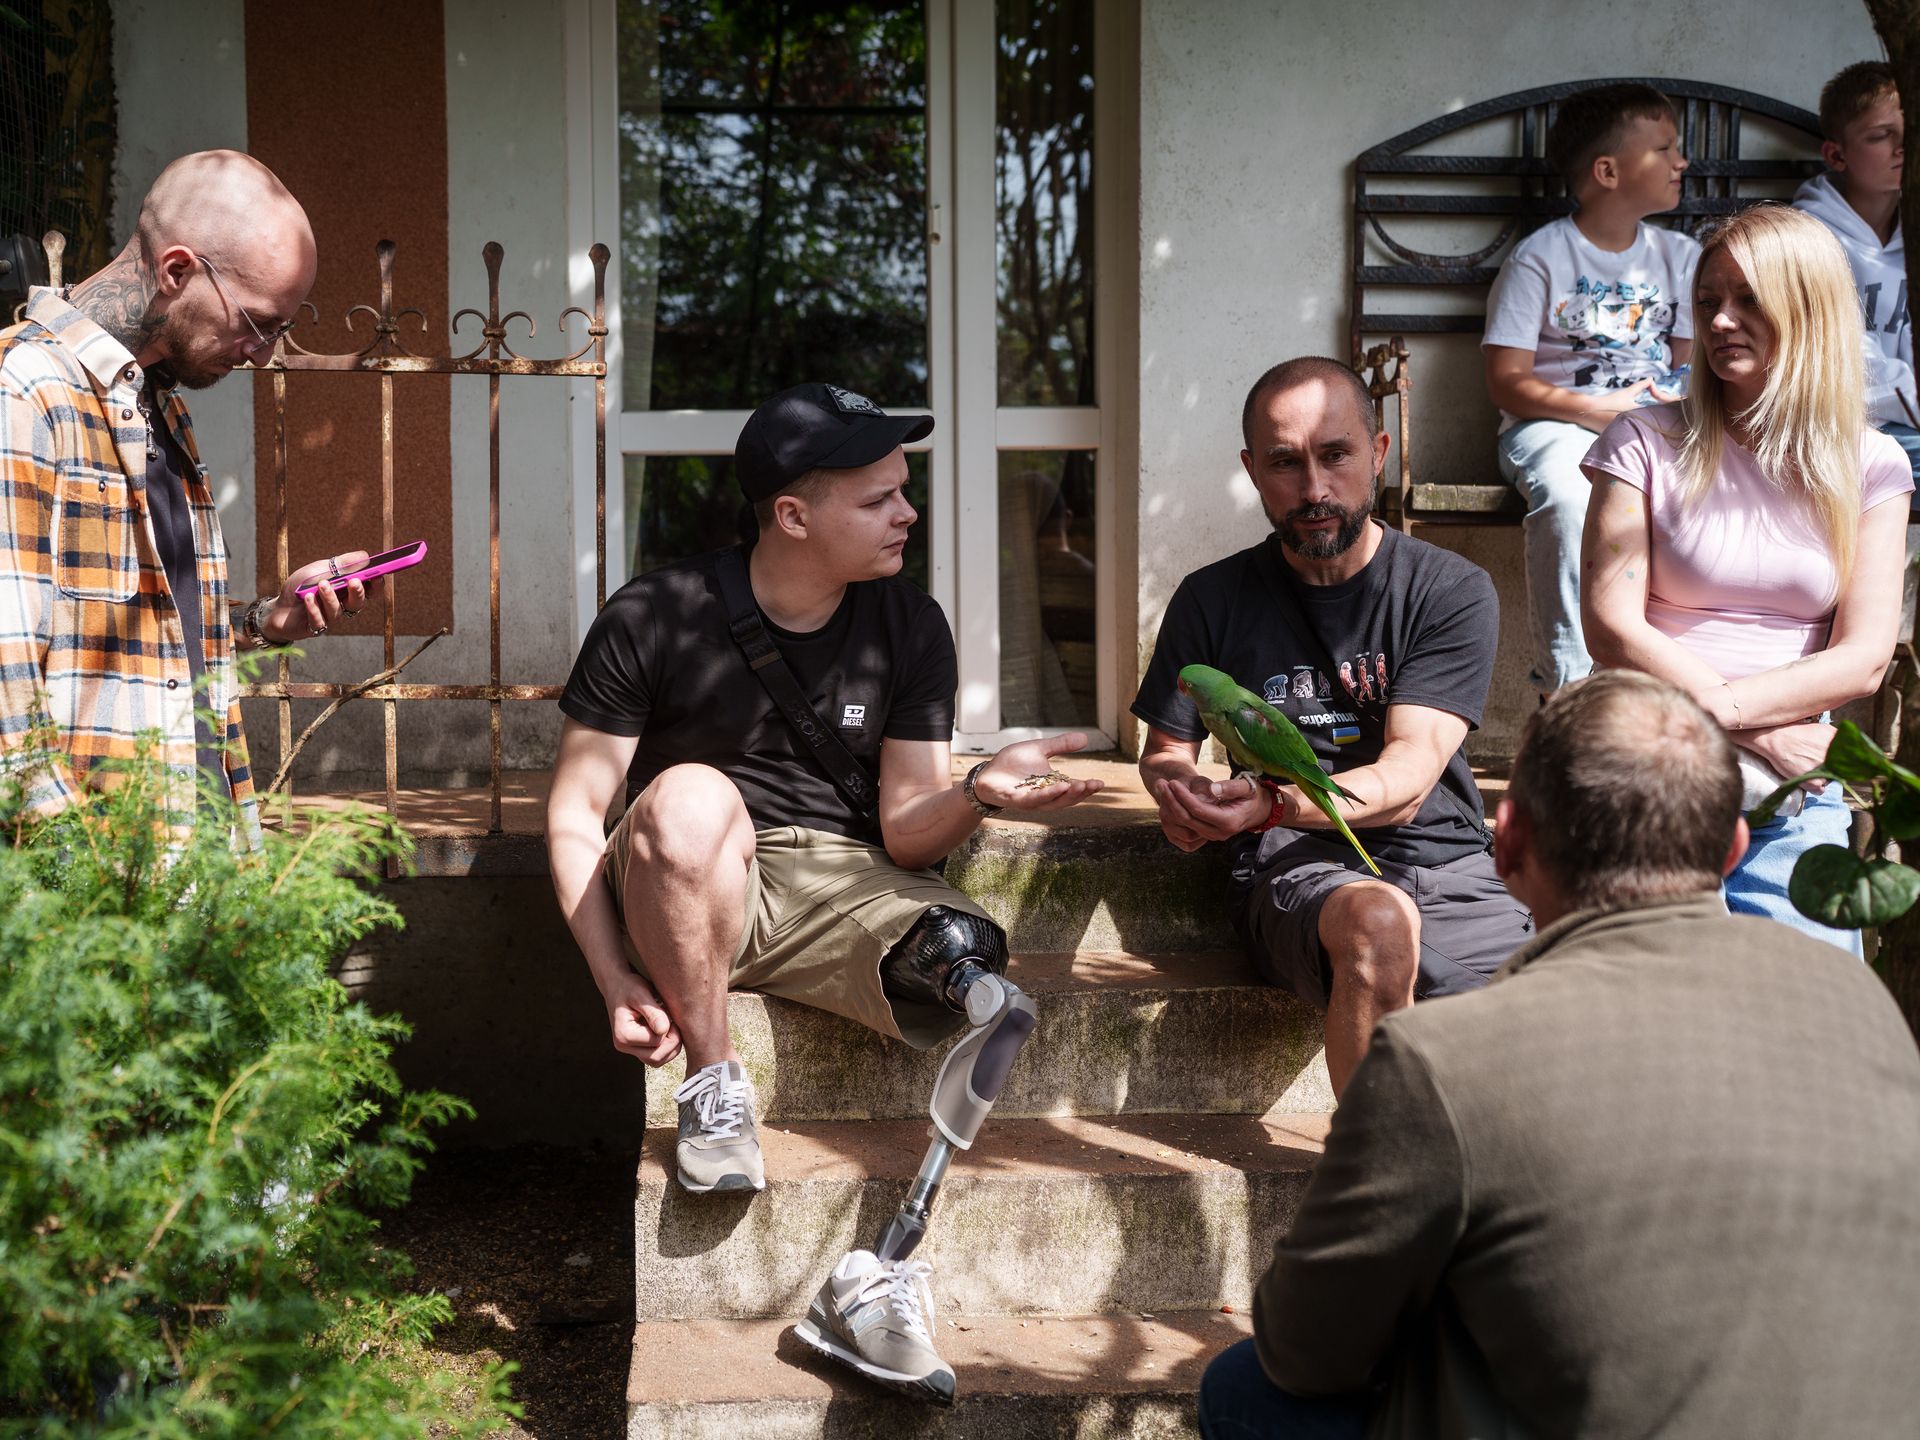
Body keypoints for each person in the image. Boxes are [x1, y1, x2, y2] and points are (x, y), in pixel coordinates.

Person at [545, 381, 1102, 1403]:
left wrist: (978, 791)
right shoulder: (657, 613)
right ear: (793, 517)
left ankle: (875, 1276)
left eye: (905, 490)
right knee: (687, 802)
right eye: (879, 499)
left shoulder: (908, 624)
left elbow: (902, 827)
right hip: (695, 882)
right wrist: (613, 971)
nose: (909, 513)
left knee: (981, 991)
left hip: (846, 884)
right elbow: (581, 812)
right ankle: (714, 1087)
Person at [1198, 671, 1920, 1440]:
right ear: (1734, 849)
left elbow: (1307, 1350)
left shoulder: (1441, 1057)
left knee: (1247, 1389)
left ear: (1504, 842)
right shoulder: (1856, 999)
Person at [1133, 357, 1532, 1098]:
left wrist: (1274, 799)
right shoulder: (1211, 599)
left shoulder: (1448, 590)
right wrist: (1186, 796)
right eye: (1285, 462)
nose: (1313, 489)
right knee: (1380, 924)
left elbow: (1410, 779)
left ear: (1378, 455)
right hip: (1296, 862)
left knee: (1540, 1013)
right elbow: (1165, 752)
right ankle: (1375, 1193)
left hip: (1446, 861)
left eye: (1336, 455)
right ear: (1253, 471)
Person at [0, 150, 369, 844]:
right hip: (95, 899)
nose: (263, 352)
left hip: (188, 872)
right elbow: (6, 691)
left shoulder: (158, 411)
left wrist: (266, 619)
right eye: (258, 322)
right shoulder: (24, 393)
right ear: (176, 271)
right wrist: (78, 881)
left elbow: (144, 646)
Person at [1582, 204, 1912, 955]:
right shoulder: (1643, 441)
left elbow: (1864, 656)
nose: (1721, 320)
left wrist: (1741, 723)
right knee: (1665, 993)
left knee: (1809, 1007)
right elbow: (1611, 625)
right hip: (1656, 750)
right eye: (1708, 302)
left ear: (1808, 308)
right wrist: (1752, 726)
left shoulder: (1871, 464)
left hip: (1795, 779)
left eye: (1749, 299)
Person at [1483, 82, 1699, 695]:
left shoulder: (1681, 258)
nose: (1682, 161)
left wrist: (1652, 411)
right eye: (1665, 148)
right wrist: (1593, 410)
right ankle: (1572, 686)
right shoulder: (1541, 259)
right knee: (1567, 496)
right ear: (1608, 170)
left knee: (1703, 495)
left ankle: (1666, 684)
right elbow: (1506, 381)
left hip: (1654, 423)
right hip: (1552, 426)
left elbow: (1686, 364)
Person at [1794, 60, 1919, 477]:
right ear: (1836, 154)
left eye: (1910, 133)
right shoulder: (1808, 235)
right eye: (1882, 136)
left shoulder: (1910, 232)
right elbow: (1837, 353)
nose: (1903, 147)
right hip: (1830, 421)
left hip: (1906, 422)